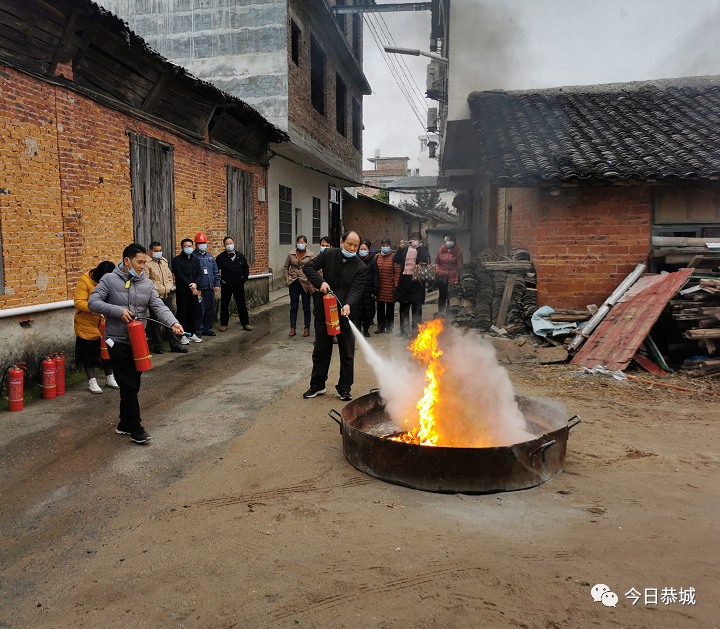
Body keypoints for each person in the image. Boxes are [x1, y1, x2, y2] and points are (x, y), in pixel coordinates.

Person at [88, 243, 184, 444]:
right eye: (139, 262)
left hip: (138, 341)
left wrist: (174, 323)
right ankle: (136, 428)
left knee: (134, 384)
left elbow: (159, 307)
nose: (143, 266)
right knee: (129, 384)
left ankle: (124, 423)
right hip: (116, 341)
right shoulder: (109, 280)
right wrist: (117, 310)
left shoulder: (146, 284)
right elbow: (93, 302)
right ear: (126, 261)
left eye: (144, 262)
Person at [303, 230, 366, 401]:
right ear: (341, 241)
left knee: (347, 353)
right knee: (321, 350)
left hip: (345, 314)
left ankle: (344, 388)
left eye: (356, 246)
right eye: (349, 244)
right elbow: (308, 267)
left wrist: (349, 304)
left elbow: (357, 289)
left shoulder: (360, 266)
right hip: (324, 312)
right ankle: (317, 385)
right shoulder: (329, 254)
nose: (352, 248)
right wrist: (320, 281)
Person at [74, 261, 119, 394]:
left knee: (108, 351)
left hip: (106, 324)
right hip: (87, 324)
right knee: (89, 354)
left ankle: (109, 378)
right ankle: (92, 381)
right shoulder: (85, 281)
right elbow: (79, 302)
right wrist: (96, 309)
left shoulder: (113, 281)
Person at [146, 241, 187, 354]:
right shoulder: (146, 263)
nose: (159, 253)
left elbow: (169, 276)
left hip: (167, 294)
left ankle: (174, 345)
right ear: (150, 251)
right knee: (155, 322)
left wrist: (169, 286)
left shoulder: (164, 261)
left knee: (171, 320)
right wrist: (155, 290)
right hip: (155, 296)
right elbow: (146, 280)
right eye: (156, 251)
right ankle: (158, 346)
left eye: (160, 250)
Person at [393, 232, 431, 338]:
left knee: (417, 308)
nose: (414, 241)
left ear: (420, 241)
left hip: (417, 283)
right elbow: (395, 260)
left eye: (416, 239)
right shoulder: (405, 250)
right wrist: (400, 249)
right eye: (411, 239)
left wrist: (418, 248)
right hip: (405, 282)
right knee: (404, 308)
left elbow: (425, 261)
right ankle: (404, 331)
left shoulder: (424, 250)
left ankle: (416, 332)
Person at [216, 236, 252, 332]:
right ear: (224, 245)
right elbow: (215, 271)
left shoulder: (240, 256)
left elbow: (246, 269)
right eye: (227, 244)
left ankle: (245, 323)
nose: (229, 245)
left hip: (238, 284)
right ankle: (224, 324)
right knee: (224, 304)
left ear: (234, 244)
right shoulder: (220, 258)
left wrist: (243, 279)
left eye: (230, 243)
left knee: (241, 304)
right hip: (226, 284)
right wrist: (220, 281)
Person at [283, 235, 315, 337]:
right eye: (299, 242)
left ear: (306, 243)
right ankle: (293, 328)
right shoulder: (291, 254)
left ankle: (307, 328)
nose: (301, 244)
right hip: (293, 282)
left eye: (303, 242)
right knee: (294, 306)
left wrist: (311, 282)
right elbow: (285, 267)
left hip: (305, 282)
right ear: (296, 243)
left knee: (306, 306)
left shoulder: (310, 255)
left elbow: (314, 269)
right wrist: (287, 278)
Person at [172, 238, 203, 344]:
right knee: (182, 313)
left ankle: (192, 333)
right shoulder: (177, 260)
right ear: (182, 247)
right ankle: (183, 335)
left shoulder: (195, 260)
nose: (188, 248)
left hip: (194, 291)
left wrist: (195, 284)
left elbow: (199, 274)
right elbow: (179, 275)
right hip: (183, 291)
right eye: (186, 246)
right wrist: (190, 285)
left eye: (190, 246)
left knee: (193, 313)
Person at [192, 233, 221, 339]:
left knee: (210, 309)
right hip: (200, 289)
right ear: (196, 244)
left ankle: (207, 329)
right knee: (199, 310)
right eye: (200, 243)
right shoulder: (194, 256)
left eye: (203, 243)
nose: (202, 245)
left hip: (209, 288)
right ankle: (198, 329)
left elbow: (215, 271)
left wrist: (217, 284)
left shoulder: (210, 257)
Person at [374, 238, 400, 334]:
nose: (385, 247)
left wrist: (395, 286)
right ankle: (380, 327)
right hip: (380, 288)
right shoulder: (377, 257)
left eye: (387, 245)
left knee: (390, 309)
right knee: (380, 309)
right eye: (383, 245)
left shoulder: (394, 257)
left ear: (390, 246)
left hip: (390, 288)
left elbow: (397, 273)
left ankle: (389, 327)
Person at [434, 232, 464, 315]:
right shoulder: (441, 250)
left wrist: (457, 279)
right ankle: (440, 314)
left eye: (450, 240)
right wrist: (438, 271)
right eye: (447, 240)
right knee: (442, 296)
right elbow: (436, 263)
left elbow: (460, 267)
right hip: (442, 277)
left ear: (454, 242)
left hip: (453, 278)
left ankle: (449, 315)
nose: (448, 242)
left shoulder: (458, 252)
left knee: (451, 297)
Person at [357, 240, 379, 337]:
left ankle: (366, 329)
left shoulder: (372, 261)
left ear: (369, 250)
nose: (363, 250)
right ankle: (357, 331)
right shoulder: (355, 260)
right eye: (361, 249)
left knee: (367, 311)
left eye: (365, 249)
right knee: (358, 311)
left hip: (368, 290)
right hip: (357, 289)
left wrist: (375, 290)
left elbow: (375, 276)